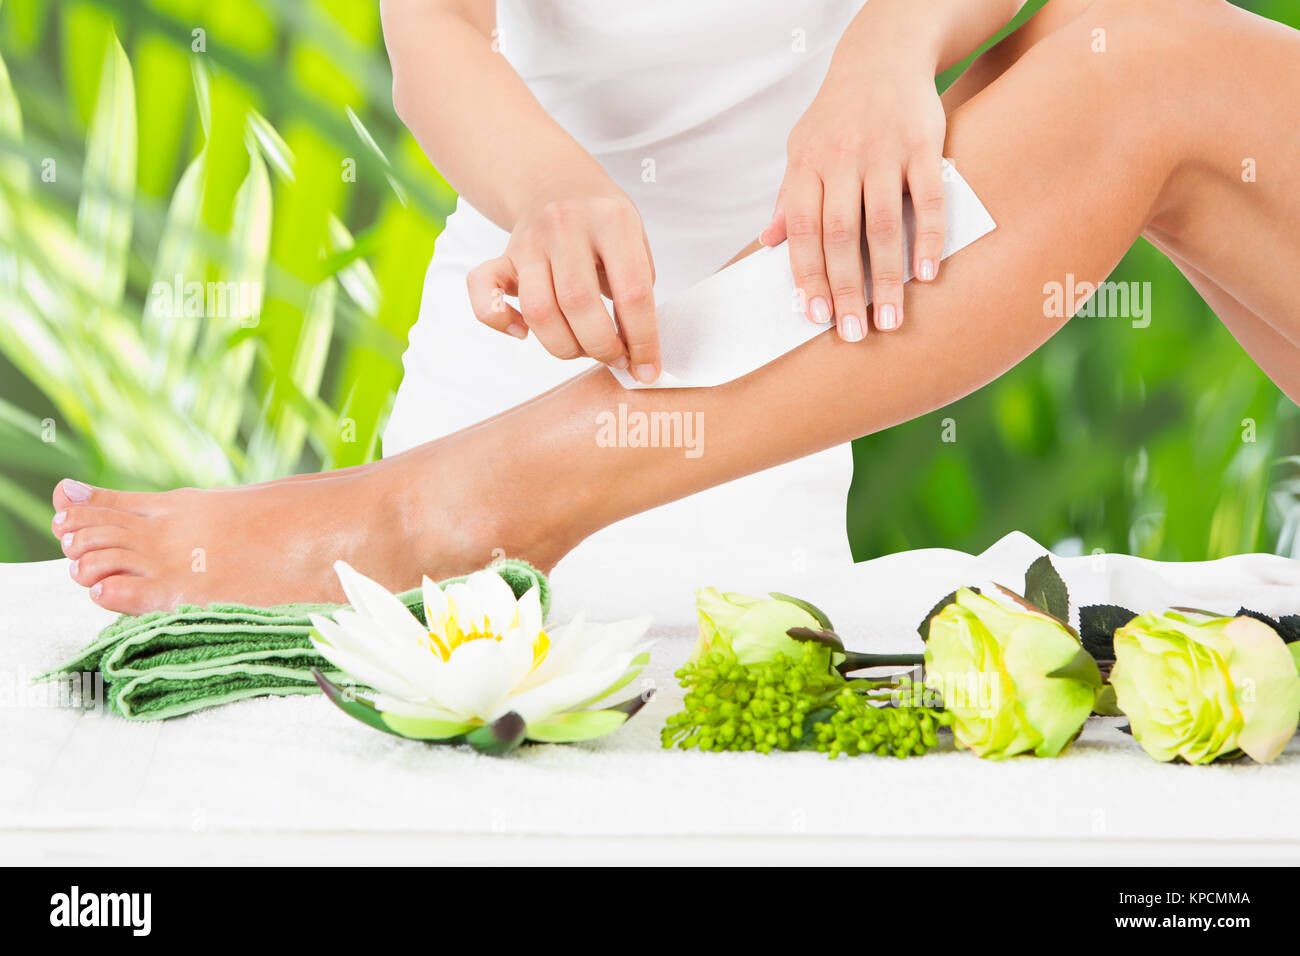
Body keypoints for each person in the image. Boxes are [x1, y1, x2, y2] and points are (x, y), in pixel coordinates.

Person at [50, 0, 1300, 614]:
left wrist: (884, 56)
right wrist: (547, 191)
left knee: (1130, 57)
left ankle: (456, 504)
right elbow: (433, 34)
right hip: (524, 349)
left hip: (778, 419)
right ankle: (450, 497)